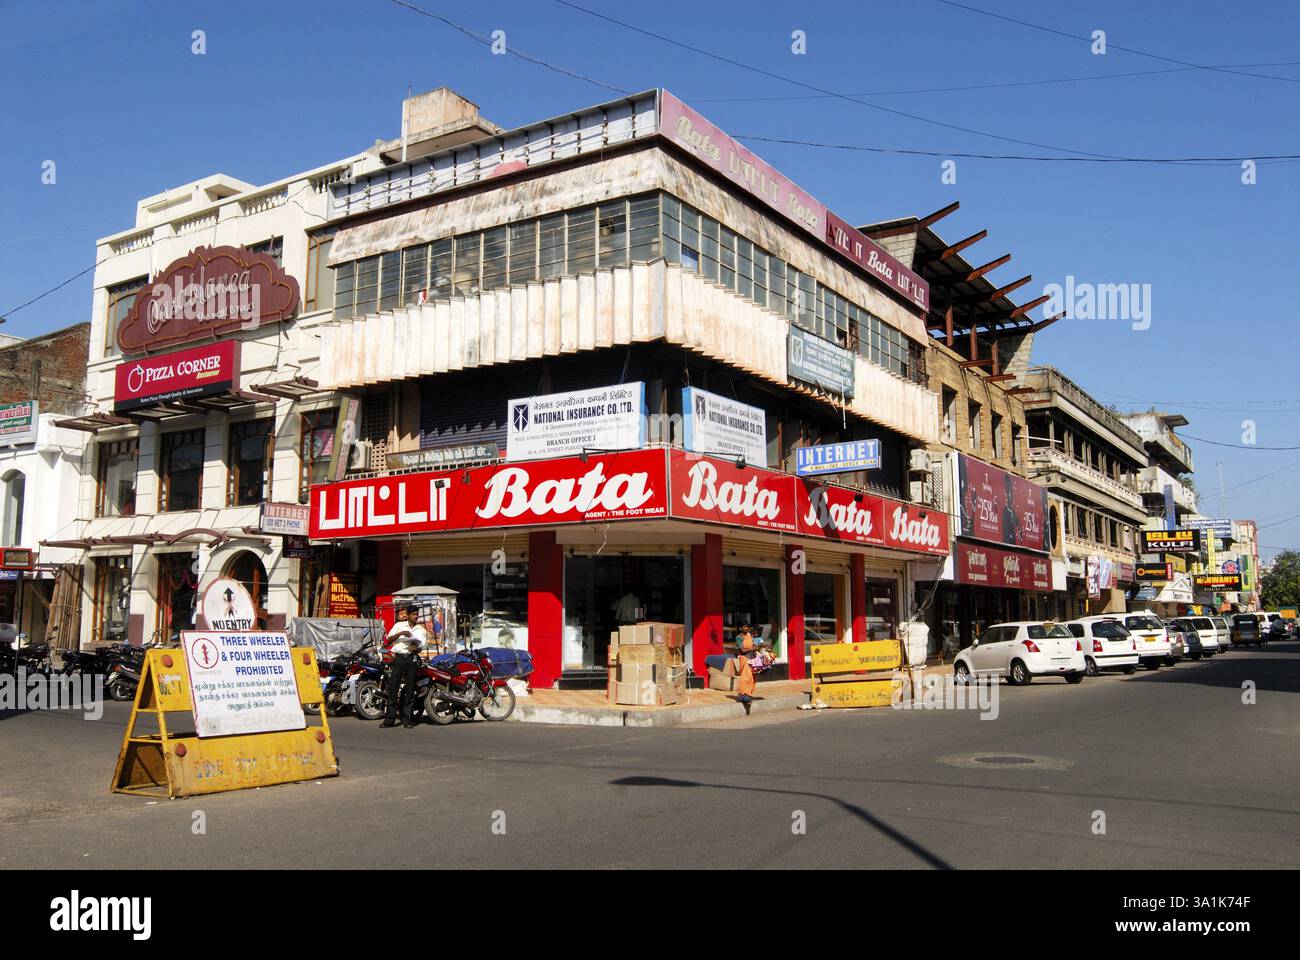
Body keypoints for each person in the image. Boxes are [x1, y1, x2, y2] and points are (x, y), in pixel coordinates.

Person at [383, 605, 428, 728]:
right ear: (408, 615)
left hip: (411, 659)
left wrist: (416, 648)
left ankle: (407, 719)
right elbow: (389, 640)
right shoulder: (399, 625)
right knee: (393, 688)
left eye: (417, 614)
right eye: (413, 614)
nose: (416, 616)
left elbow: (421, 647)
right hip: (398, 658)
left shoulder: (421, 630)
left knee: (410, 690)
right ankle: (390, 720)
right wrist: (402, 633)